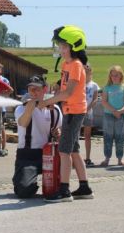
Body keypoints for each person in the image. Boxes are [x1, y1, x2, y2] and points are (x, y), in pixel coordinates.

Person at [37, 25, 94, 202]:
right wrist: (54, 92)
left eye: (63, 46)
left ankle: (64, 191)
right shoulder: (66, 64)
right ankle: (84, 188)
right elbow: (63, 88)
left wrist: (47, 102)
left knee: (64, 152)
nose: (60, 49)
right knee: (74, 150)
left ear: (73, 46)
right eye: (59, 46)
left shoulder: (76, 65)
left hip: (74, 112)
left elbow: (69, 93)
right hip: (70, 110)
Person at [12, 75, 62, 198]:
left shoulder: (55, 109)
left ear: (45, 90)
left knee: (57, 189)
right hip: (27, 155)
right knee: (24, 191)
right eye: (30, 89)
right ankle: (23, 179)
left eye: (37, 89)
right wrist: (29, 109)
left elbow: (60, 131)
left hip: (49, 154)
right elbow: (23, 123)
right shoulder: (21, 108)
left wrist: (58, 133)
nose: (33, 92)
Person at [100, 65, 124, 167]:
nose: (114, 77)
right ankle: (107, 158)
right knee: (108, 137)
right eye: (112, 75)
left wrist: (121, 111)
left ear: (121, 75)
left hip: (120, 115)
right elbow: (104, 102)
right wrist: (113, 111)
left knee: (120, 137)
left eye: (116, 75)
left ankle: (120, 159)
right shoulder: (107, 87)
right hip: (109, 114)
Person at [83, 63, 99, 167]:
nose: (86, 73)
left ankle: (88, 157)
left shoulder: (94, 85)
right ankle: (74, 157)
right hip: (77, 112)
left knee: (87, 136)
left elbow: (95, 99)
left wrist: (88, 108)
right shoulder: (78, 83)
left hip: (88, 113)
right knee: (75, 136)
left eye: (88, 71)